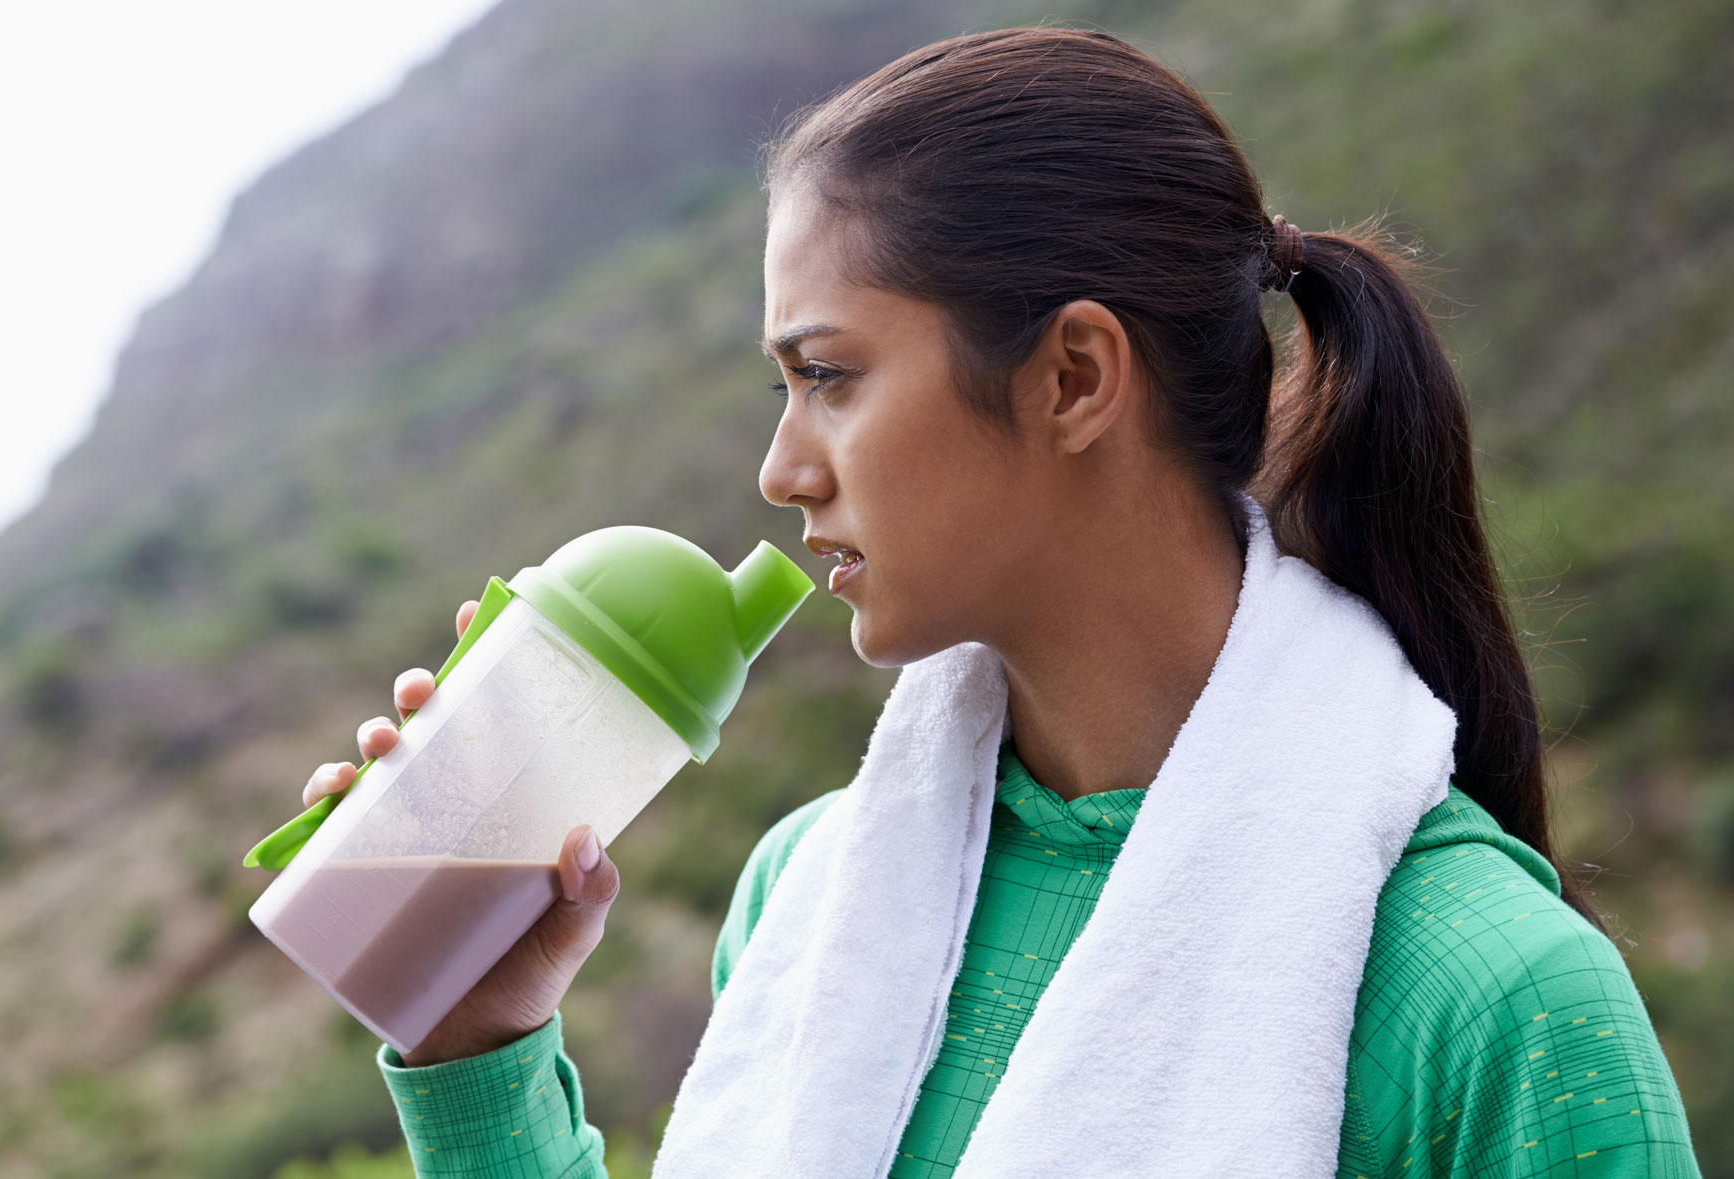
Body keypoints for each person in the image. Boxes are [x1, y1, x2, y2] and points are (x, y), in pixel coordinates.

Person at [291, 26, 1701, 1178]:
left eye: (829, 376)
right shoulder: (812, 894)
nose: (782, 469)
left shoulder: (1494, 1007)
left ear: (1076, 377)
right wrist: (479, 1041)